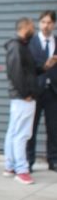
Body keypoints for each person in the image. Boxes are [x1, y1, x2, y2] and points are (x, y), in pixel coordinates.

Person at [3, 17, 38, 185]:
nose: (34, 29)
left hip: (21, 97)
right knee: (22, 134)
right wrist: (26, 94)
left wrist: (45, 66)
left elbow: (28, 71)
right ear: (25, 28)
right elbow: (15, 73)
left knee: (14, 132)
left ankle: (10, 166)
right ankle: (22, 170)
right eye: (32, 26)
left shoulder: (21, 46)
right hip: (23, 97)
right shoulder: (16, 47)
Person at [27, 9, 57, 172]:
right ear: (39, 23)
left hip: (53, 92)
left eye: (49, 22)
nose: (46, 26)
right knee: (30, 128)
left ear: (54, 24)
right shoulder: (31, 43)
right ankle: (28, 160)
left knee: (54, 128)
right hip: (35, 91)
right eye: (43, 22)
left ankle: (53, 160)